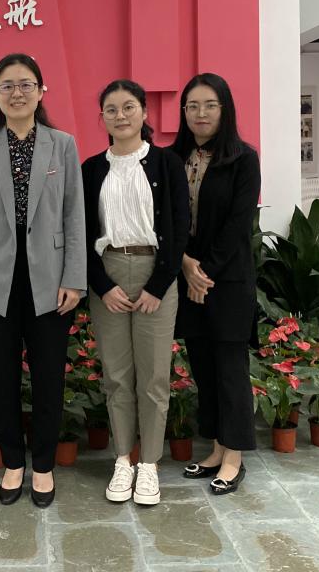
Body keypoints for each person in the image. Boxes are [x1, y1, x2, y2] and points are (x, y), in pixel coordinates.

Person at [0, 53, 85, 509]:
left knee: (49, 377)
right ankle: (13, 462)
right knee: (2, 378)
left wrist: (75, 277)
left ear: (41, 91)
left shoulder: (62, 144)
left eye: (26, 84)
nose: (17, 93)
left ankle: (44, 465)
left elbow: (74, 212)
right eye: (7, 85)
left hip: (51, 280)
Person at [81, 79, 188, 506]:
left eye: (128, 107)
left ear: (144, 113)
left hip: (154, 273)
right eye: (111, 109)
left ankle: (150, 464)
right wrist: (102, 285)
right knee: (117, 375)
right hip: (108, 273)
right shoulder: (91, 169)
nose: (120, 116)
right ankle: (123, 458)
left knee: (154, 376)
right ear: (102, 118)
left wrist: (158, 286)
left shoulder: (167, 164)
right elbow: (81, 233)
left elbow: (179, 228)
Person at [171, 73, 261, 496]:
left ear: (224, 109)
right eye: (192, 105)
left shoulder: (243, 159)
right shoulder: (174, 157)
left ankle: (234, 456)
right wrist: (185, 265)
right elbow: (167, 219)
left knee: (230, 369)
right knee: (203, 368)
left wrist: (203, 273)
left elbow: (238, 224)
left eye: (209, 105)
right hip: (187, 275)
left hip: (227, 281)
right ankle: (216, 447)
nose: (200, 113)